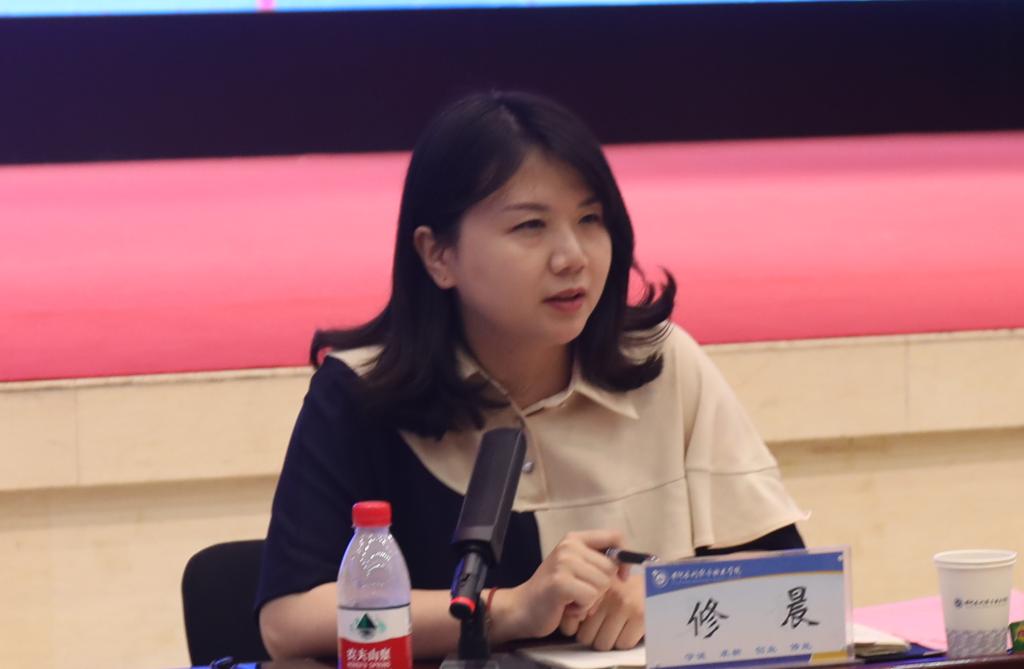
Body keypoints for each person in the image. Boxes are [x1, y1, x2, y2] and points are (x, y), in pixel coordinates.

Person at [255, 91, 807, 660]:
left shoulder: (662, 364)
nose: (572, 257)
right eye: (530, 226)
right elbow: (290, 619)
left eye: (590, 219)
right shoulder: (361, 393)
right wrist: (509, 609)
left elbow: (794, 585)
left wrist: (664, 598)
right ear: (438, 254)